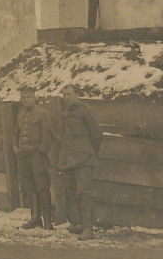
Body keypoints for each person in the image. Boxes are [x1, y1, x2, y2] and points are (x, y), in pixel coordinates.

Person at [53, 84, 103, 240]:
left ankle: (88, 228)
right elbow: (61, 135)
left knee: (84, 193)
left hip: (83, 158)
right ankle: (78, 224)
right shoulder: (64, 113)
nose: (66, 97)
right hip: (68, 159)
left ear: (77, 95)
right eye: (64, 95)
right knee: (71, 192)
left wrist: (88, 152)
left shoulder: (85, 110)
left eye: (69, 94)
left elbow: (96, 134)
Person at [15, 87, 55, 230]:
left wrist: (41, 152)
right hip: (24, 156)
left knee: (42, 187)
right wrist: (16, 147)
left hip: (37, 156)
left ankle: (48, 220)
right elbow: (16, 133)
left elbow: (47, 135)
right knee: (30, 187)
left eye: (28, 97)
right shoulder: (20, 114)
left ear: (34, 98)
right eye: (22, 97)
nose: (24, 100)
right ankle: (35, 218)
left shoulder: (42, 114)